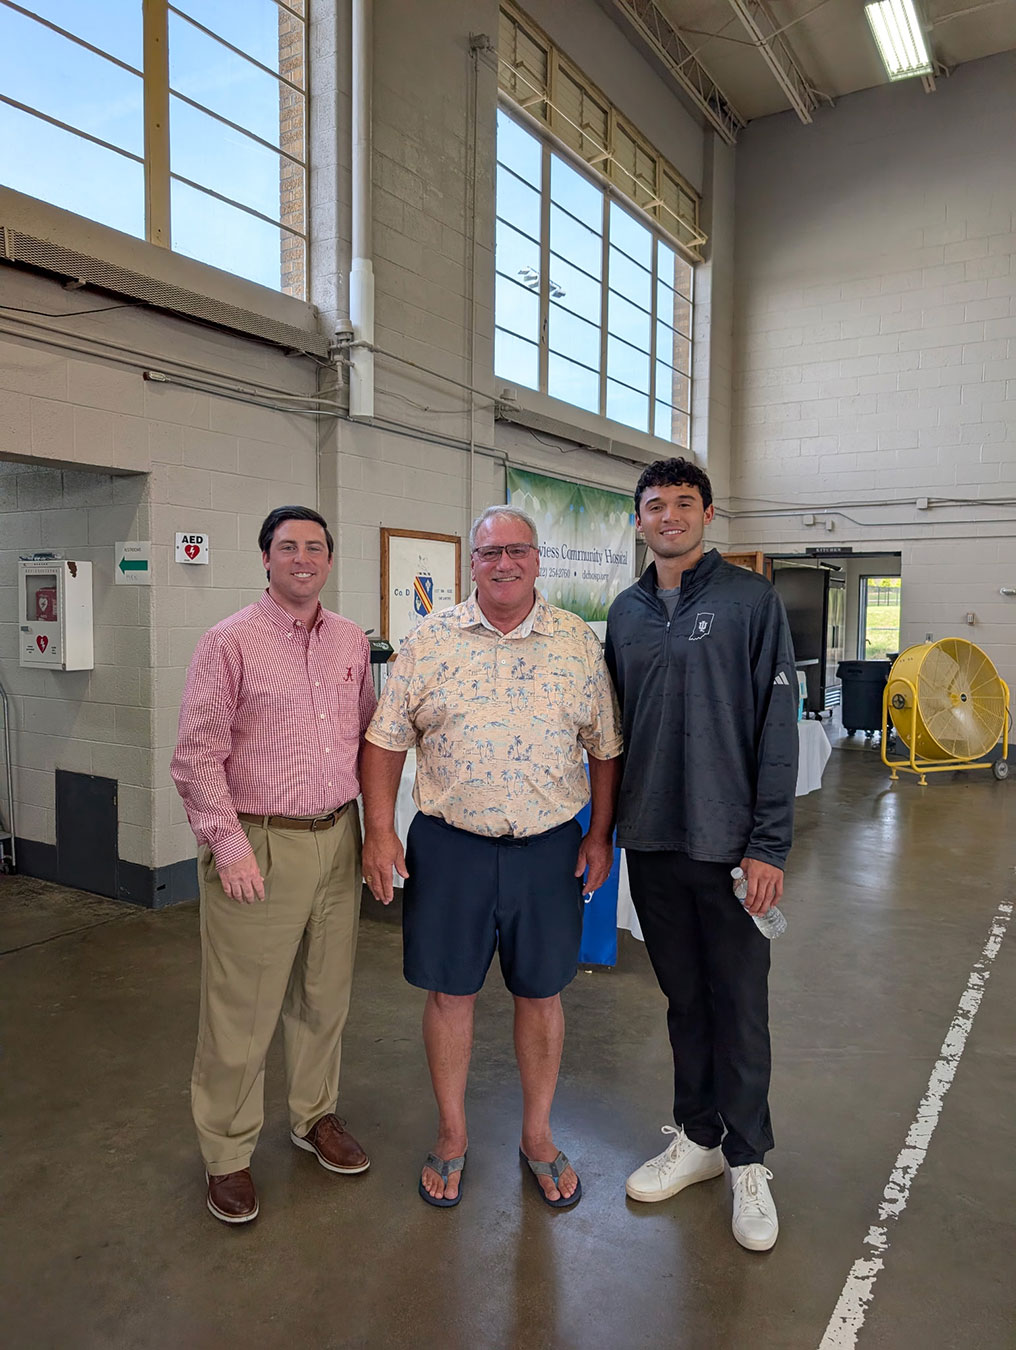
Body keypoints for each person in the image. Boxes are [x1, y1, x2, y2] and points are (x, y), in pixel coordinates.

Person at [360, 505, 622, 1210]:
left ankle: (537, 1135)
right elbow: (385, 740)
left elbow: (605, 748)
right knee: (450, 993)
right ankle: (451, 1134)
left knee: (542, 992)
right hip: (451, 849)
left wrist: (598, 836)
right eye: (489, 553)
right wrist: (379, 832)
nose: (503, 564)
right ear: (470, 563)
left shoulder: (576, 644)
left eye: (517, 551)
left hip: (548, 850)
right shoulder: (430, 640)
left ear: (538, 560)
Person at [604, 458, 797, 1252]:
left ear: (708, 515)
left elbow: (775, 734)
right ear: (640, 520)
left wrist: (767, 845)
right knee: (685, 1002)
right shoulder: (624, 613)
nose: (670, 515)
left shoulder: (752, 603)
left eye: (685, 503)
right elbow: (611, 733)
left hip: (729, 850)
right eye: (656, 505)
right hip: (651, 841)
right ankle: (701, 1138)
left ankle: (751, 1160)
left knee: (739, 1009)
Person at [171, 505, 376, 1225]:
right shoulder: (229, 642)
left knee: (325, 995)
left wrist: (373, 833)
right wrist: (227, 846)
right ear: (265, 559)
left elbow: (366, 739)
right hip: (258, 840)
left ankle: (313, 1115)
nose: (302, 558)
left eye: (315, 547)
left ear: (328, 559)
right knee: (242, 1008)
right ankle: (227, 1154)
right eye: (288, 547)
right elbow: (196, 758)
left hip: (336, 834)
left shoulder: (351, 640)